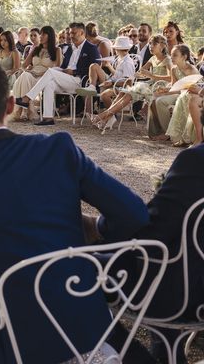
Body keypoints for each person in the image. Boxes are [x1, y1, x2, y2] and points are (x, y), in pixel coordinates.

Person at [0, 59, 149, 364]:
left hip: (2, 336)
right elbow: (134, 214)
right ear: (9, 104)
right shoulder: (59, 149)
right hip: (81, 326)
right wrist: (96, 227)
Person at [84, 109, 204, 364]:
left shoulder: (195, 161)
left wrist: (100, 229)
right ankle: (168, 352)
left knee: (74, 270)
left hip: (188, 297)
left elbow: (152, 237)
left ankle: (135, 358)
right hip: (188, 277)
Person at [15, 22, 100, 126]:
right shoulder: (69, 48)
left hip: (79, 80)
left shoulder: (91, 48)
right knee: (49, 84)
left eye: (73, 33)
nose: (70, 36)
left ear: (82, 32)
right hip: (65, 79)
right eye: (70, 33)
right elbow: (63, 66)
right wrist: (61, 70)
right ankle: (48, 118)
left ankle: (27, 98)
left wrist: (74, 71)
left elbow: (96, 66)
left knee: (51, 71)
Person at [92, 34, 171, 130]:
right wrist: (138, 74)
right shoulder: (152, 58)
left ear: (162, 46)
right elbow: (140, 72)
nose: (150, 46)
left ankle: (103, 116)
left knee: (127, 92)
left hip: (161, 87)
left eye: (153, 44)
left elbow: (171, 78)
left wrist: (151, 75)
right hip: (150, 85)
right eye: (149, 44)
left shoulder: (167, 60)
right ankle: (105, 118)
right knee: (124, 92)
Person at [148, 44, 199, 141]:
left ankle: (173, 133)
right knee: (156, 99)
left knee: (161, 100)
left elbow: (193, 89)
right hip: (178, 92)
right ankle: (166, 131)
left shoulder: (191, 70)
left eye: (175, 55)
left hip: (190, 94)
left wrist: (168, 92)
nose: (172, 57)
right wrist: (165, 90)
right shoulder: (174, 69)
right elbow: (174, 85)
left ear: (184, 56)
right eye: (171, 55)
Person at [12, 25, 61, 121]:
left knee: (25, 77)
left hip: (45, 77)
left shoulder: (56, 50)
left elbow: (57, 69)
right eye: (41, 34)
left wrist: (43, 74)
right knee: (25, 75)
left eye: (43, 34)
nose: (40, 36)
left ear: (50, 36)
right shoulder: (36, 49)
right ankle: (25, 111)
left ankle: (24, 111)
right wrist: (23, 70)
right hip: (32, 74)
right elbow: (24, 64)